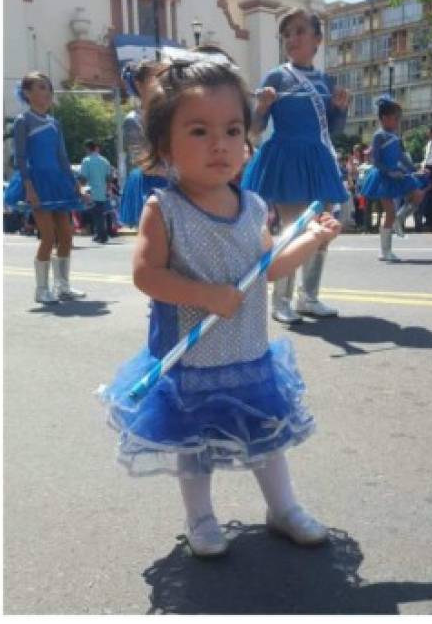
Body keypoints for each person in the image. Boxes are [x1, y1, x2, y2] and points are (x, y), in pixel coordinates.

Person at [97, 59, 342, 557]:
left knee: (265, 440)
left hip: (249, 354)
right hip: (192, 362)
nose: (220, 144)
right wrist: (207, 295)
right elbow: (147, 275)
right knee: (195, 448)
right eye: (200, 130)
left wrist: (312, 240)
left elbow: (268, 268)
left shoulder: (252, 204)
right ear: (165, 146)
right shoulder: (163, 209)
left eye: (232, 129)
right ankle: (201, 519)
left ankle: (283, 507)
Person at [241, 7, 349, 323]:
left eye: (300, 31)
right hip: (287, 160)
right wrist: (261, 107)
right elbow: (255, 130)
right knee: (295, 229)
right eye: (287, 33)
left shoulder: (327, 81)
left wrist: (340, 110)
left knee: (324, 230)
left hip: (317, 160)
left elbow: (334, 130)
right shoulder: (277, 76)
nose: (292, 38)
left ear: (317, 39)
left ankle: (309, 297)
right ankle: (281, 301)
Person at [7, 71, 88, 303]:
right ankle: (41, 289)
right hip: (37, 182)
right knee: (48, 236)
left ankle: (63, 285)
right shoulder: (23, 121)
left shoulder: (55, 123)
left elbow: (62, 157)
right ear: (27, 93)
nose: (47, 92)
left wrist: (75, 185)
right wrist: (29, 187)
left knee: (66, 235)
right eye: (41, 87)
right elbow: (20, 157)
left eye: (48, 88)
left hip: (58, 182)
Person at [360, 96, 425, 261]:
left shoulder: (395, 135)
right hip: (383, 177)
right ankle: (385, 251)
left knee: (418, 194)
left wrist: (415, 169)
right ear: (384, 118)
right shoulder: (379, 136)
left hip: (397, 173)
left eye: (398, 118)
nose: (397, 121)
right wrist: (388, 171)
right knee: (389, 212)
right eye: (395, 118)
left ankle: (400, 219)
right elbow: (375, 160)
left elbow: (401, 156)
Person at [118, 60, 169, 228]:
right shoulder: (133, 120)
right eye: (155, 78)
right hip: (150, 183)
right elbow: (141, 159)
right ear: (139, 85)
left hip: (171, 178)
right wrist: (177, 175)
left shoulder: (169, 115)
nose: (162, 83)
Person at [78, 139, 113, 244]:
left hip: (91, 191)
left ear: (88, 148)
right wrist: (108, 189)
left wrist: (80, 188)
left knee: (97, 214)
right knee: (99, 213)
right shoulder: (104, 160)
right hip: (102, 191)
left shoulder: (86, 160)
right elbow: (108, 177)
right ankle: (99, 234)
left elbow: (83, 178)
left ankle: (102, 235)